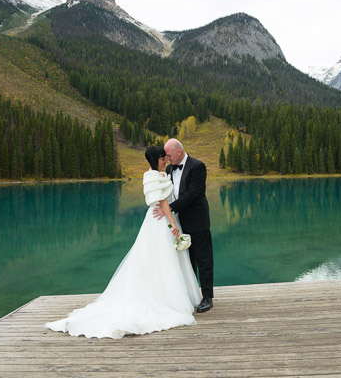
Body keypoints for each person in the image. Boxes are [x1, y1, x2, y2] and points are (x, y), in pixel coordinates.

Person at [44, 146, 201, 339]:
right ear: (155, 159)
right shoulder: (152, 175)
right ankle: (163, 298)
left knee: (166, 259)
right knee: (160, 258)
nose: (165, 160)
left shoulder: (160, 173)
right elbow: (162, 202)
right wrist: (173, 224)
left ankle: (172, 294)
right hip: (161, 221)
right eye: (162, 158)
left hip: (163, 219)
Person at [153, 139, 214, 313]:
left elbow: (194, 194)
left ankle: (207, 297)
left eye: (169, 155)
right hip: (179, 222)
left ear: (179, 151)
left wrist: (169, 209)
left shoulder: (197, 166)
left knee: (204, 259)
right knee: (187, 261)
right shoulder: (170, 168)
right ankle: (193, 295)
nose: (167, 158)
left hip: (198, 220)